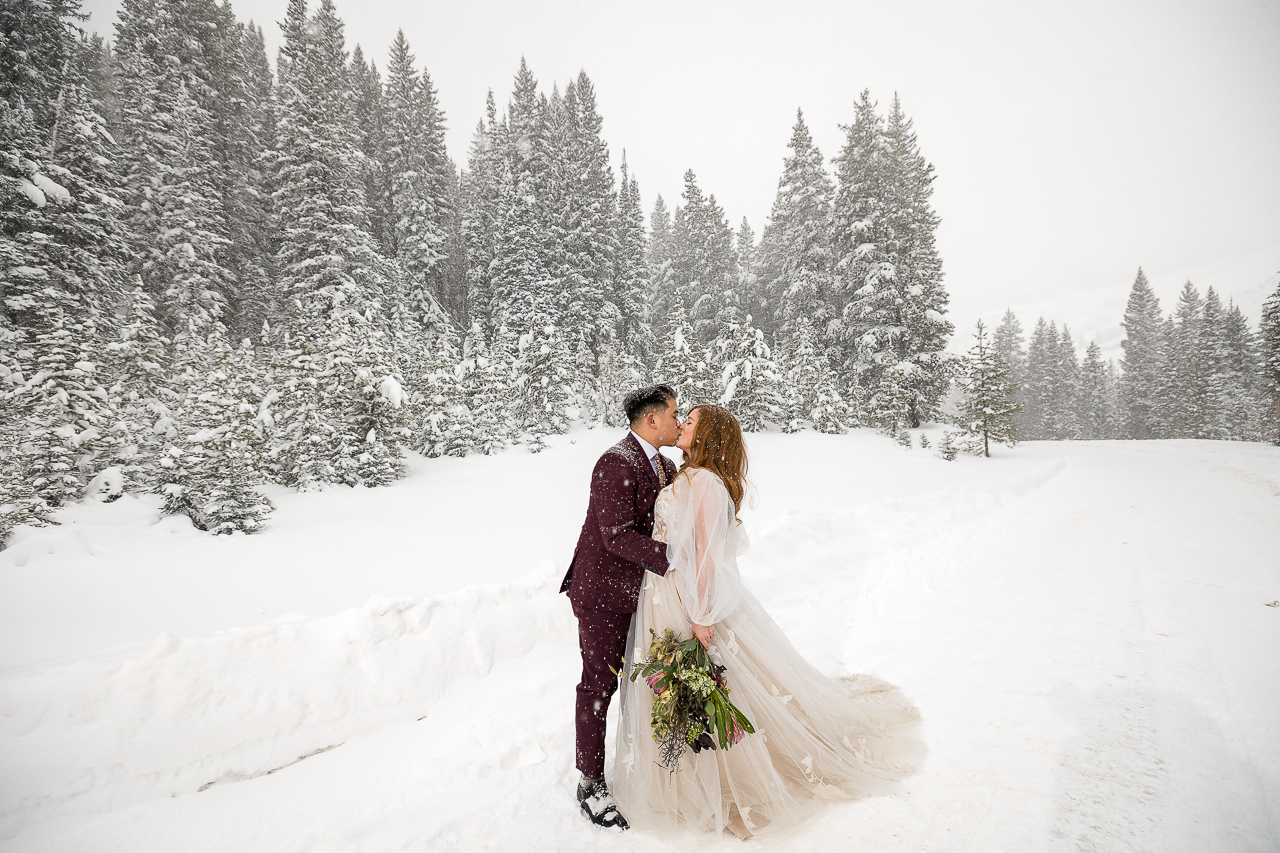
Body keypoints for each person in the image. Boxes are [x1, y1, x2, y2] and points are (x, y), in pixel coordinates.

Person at [614, 404, 926, 839]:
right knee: (681, 687)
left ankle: (728, 780)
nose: (682, 423)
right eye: (681, 418)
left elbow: (704, 555)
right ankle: (684, 778)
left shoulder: (704, 481)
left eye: (691, 421)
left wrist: (701, 616)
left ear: (708, 436)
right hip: (663, 592)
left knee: (703, 685)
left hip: (684, 597)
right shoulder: (689, 475)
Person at [560, 385, 683, 829]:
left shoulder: (666, 465)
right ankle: (589, 781)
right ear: (651, 419)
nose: (678, 420)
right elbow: (615, 535)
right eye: (673, 413)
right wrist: (675, 559)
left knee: (651, 681)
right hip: (603, 594)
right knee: (599, 686)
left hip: (647, 596)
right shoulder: (615, 463)